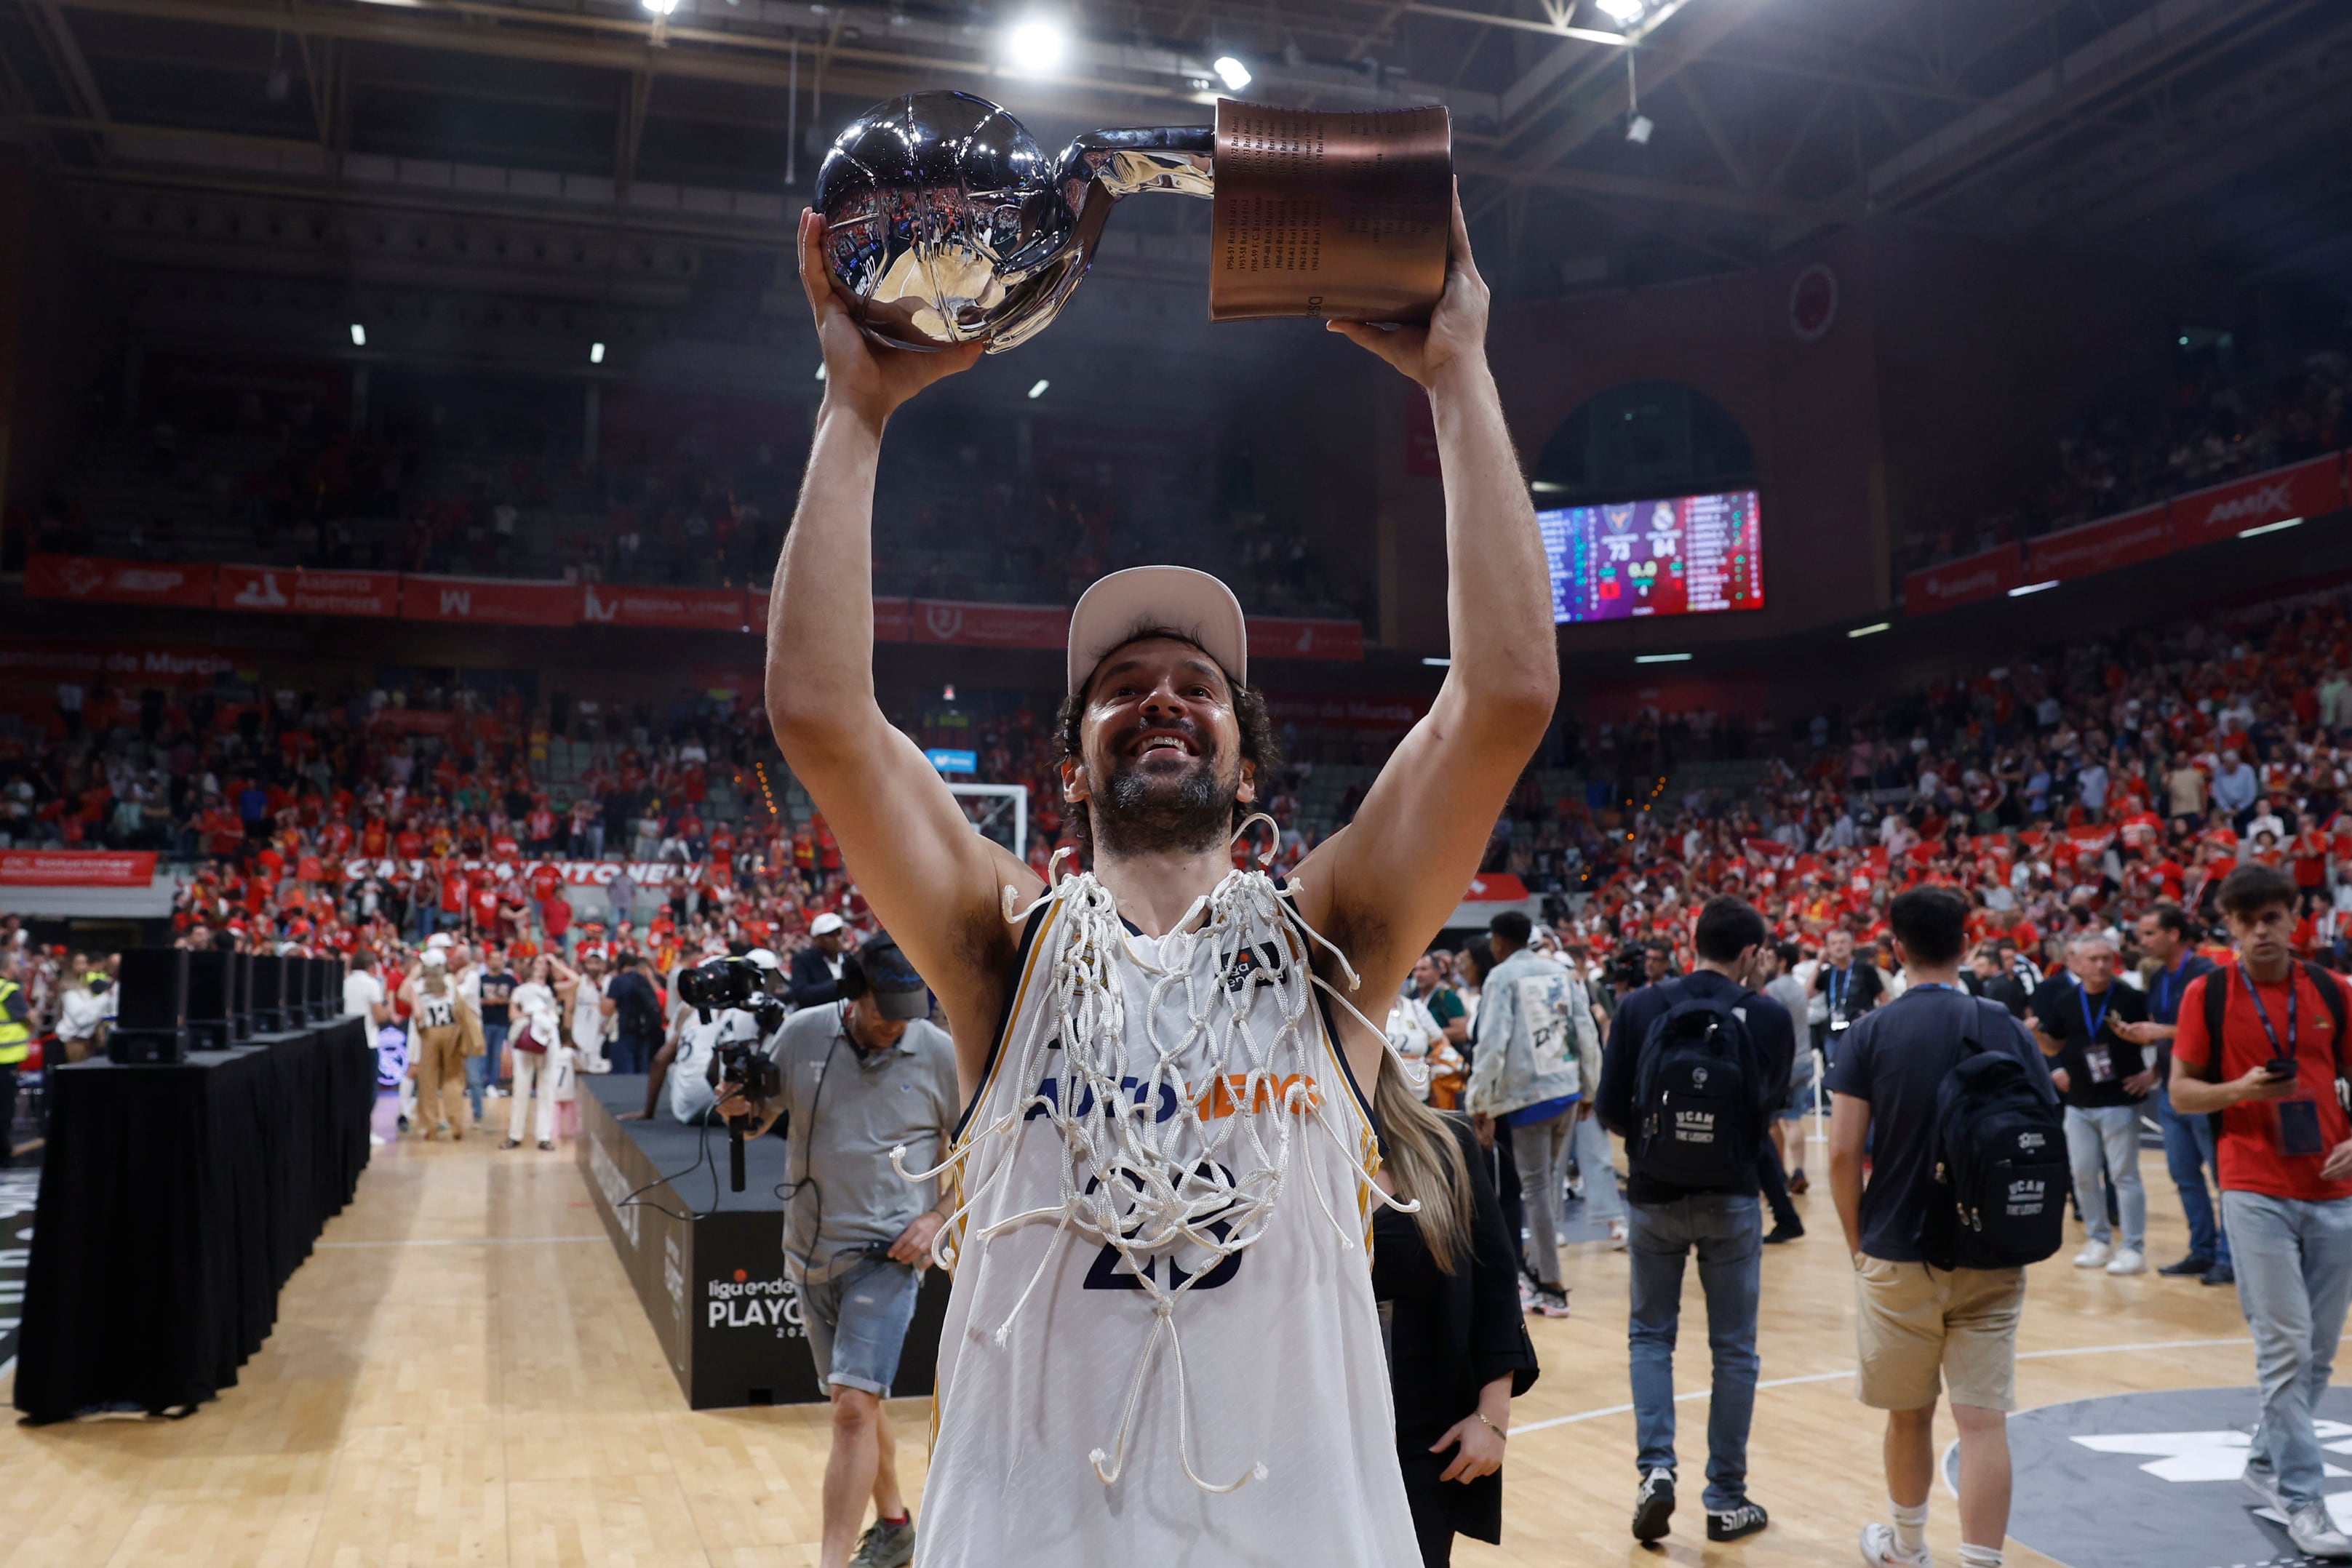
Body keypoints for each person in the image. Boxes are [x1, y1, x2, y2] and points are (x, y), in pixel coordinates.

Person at [765, 181, 1554, 1567]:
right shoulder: (1002, 945)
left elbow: (1501, 699)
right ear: (1069, 765)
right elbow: (824, 718)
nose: (1162, 699)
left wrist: (1456, 373)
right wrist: (856, 413)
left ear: (1245, 767)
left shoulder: (1329, 944)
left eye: (1196, 685)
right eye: (1119, 689)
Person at [1827, 887, 2056, 1568]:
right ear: (1967, 944)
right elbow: (2043, 1131)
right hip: (1991, 1247)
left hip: (1897, 1245)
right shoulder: (2007, 1026)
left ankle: (1904, 1547)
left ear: (1894, 949)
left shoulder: (1870, 1031)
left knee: (1909, 1412)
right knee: (1982, 1422)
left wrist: (1855, 1240)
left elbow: (1842, 1152)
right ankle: (1981, 1562)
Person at [721, 937, 957, 1568]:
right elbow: (759, 1120)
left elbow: (979, 1151)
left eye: (909, 1010)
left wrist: (938, 1216)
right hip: (807, 1249)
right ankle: (895, 1525)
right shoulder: (801, 1035)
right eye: (886, 1011)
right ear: (853, 996)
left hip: (888, 1256)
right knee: (855, 1398)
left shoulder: (936, 1051)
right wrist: (739, 1111)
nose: (897, 1023)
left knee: (852, 1409)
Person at [2170, 864, 2352, 1561]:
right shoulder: (2206, 994)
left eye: (2271, 918)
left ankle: (2264, 1460)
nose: (2259, 932)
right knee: (2284, 1344)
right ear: (2229, 928)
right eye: (2245, 922)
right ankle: (2302, 1499)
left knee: (2316, 1355)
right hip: (2252, 1188)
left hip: (2333, 1188)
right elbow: (2182, 1095)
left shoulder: (2331, 990)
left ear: (2294, 918)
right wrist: (2240, 1088)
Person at [1598, 896, 1793, 1545]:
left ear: (1692, 941)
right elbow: (1767, 1114)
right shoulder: (1766, 1015)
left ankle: (1655, 1470)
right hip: (1733, 1198)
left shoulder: (1639, 1006)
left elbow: (1611, 1108)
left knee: (1650, 1337)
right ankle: (1725, 1497)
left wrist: (1657, 1146)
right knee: (1733, 1350)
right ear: (1750, 954)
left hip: (1652, 1194)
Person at [1369, 1049, 1540, 1567]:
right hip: (1303, 1442)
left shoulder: (1443, 1143)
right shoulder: (1265, 1153)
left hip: (1424, 1445)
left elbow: (1494, 1283)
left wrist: (1493, 1415)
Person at [1465, 909, 1601, 1318]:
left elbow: (1491, 1043)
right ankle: (1542, 1272)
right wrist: (1590, 1086)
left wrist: (1478, 1101)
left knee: (1537, 1189)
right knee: (1549, 1187)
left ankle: (1551, 1287)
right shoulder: (1559, 971)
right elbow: (1587, 1030)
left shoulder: (1502, 976)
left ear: (1500, 942)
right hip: (1567, 1089)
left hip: (1529, 1098)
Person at [2029, 932, 2153, 1275]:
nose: (2101, 965)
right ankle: (2098, 1239)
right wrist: (2038, 1035)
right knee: (2083, 1175)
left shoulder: (2131, 998)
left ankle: (2133, 1247)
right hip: (2078, 1103)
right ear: (2077, 964)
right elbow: (2054, 1046)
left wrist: (2153, 1073)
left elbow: (2164, 1034)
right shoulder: (2066, 1000)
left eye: (2105, 958)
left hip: (2120, 1100)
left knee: (2123, 1176)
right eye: (2093, 959)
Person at [2121, 904, 2230, 1284]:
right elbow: (2169, 1034)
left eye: (2150, 933)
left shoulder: (2206, 973)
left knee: (2222, 1176)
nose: (2142, 940)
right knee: (2183, 1174)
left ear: (2174, 934)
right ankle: (2202, 1251)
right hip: (2170, 1088)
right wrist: (2152, 1070)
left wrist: (2161, 1033)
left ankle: (2230, 1257)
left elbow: (2217, 1028)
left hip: (2206, 1090)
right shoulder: (2158, 978)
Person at [504, 953, 573, 1151]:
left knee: (547, 1087)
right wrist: (532, 1014)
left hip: (550, 1038)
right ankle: (515, 1135)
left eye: (546, 964)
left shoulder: (552, 990)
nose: (543, 966)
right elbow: (513, 1014)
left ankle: (544, 1136)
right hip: (528, 1036)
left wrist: (557, 962)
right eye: (540, 962)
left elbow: (576, 981)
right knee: (521, 1086)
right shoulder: (521, 990)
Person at [1762, 943, 1814, 1195]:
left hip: (1784, 1063)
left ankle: (1779, 1173)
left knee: (1773, 1121)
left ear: (1782, 961)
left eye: (1771, 956)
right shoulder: (1800, 989)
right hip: (1804, 1059)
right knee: (1794, 1120)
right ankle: (1800, 1170)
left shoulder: (1772, 989)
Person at [404, 948, 471, 1140]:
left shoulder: (417, 986)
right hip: (451, 1031)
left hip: (430, 1033)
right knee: (453, 1078)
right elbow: (459, 1006)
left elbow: (417, 1014)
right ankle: (456, 1121)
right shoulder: (450, 982)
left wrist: (421, 1031)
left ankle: (430, 1125)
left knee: (428, 1080)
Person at [1810, 927, 1885, 1065]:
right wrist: (1819, 964)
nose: (1839, 946)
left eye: (1843, 942)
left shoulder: (1865, 969)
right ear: (1827, 948)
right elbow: (1808, 994)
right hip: (1833, 1034)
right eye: (1834, 943)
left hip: (1861, 1032)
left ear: (1851, 945)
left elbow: (1884, 999)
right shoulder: (1828, 973)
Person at [604, 951, 663, 1076]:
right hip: (644, 1033)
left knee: (625, 1075)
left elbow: (606, 1010)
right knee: (642, 1075)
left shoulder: (618, 981)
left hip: (624, 1033)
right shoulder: (644, 981)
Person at [474, 948, 515, 1115]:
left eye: (499, 959)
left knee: (497, 1054)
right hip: (485, 1021)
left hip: (502, 1022)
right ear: (488, 961)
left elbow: (516, 998)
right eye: (493, 959)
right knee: (482, 1054)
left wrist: (501, 1000)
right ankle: (479, 1084)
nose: (496, 962)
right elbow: (473, 999)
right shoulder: (480, 979)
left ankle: (492, 1084)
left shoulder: (509, 980)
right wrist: (487, 1002)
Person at [0, 951, 31, 1162]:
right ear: (8, 967)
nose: (20, 969)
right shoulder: (9, 990)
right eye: (17, 964)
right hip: (6, 1058)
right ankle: (3, 1152)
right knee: (4, 1108)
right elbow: (29, 1018)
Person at [792, 911, 852, 1008]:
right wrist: (839, 985)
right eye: (831, 935)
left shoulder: (849, 959)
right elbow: (802, 995)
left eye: (839, 933)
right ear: (817, 940)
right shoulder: (804, 960)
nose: (837, 939)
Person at [570, 948, 613, 1073]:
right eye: (590, 962)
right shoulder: (580, 981)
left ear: (604, 964)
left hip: (599, 1035)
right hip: (580, 1034)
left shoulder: (609, 982)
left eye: (597, 962)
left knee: (600, 1072)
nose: (593, 966)